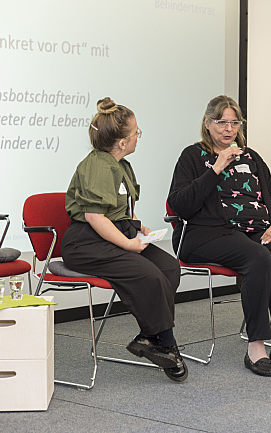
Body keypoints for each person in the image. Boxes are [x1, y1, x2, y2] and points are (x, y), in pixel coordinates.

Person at [167, 95, 271, 377]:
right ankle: (255, 347)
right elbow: (180, 204)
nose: (228, 128)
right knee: (257, 256)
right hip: (206, 234)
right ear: (208, 124)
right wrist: (216, 168)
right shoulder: (193, 157)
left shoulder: (251, 156)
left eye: (234, 122)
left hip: (255, 231)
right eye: (221, 122)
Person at [62, 97, 186, 382]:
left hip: (110, 233)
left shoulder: (120, 164)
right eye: (135, 133)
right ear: (121, 141)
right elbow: (94, 217)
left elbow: (114, 210)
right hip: (85, 243)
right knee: (150, 276)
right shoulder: (98, 166)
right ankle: (167, 345)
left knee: (168, 268)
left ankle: (148, 337)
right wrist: (129, 244)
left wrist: (137, 226)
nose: (137, 138)